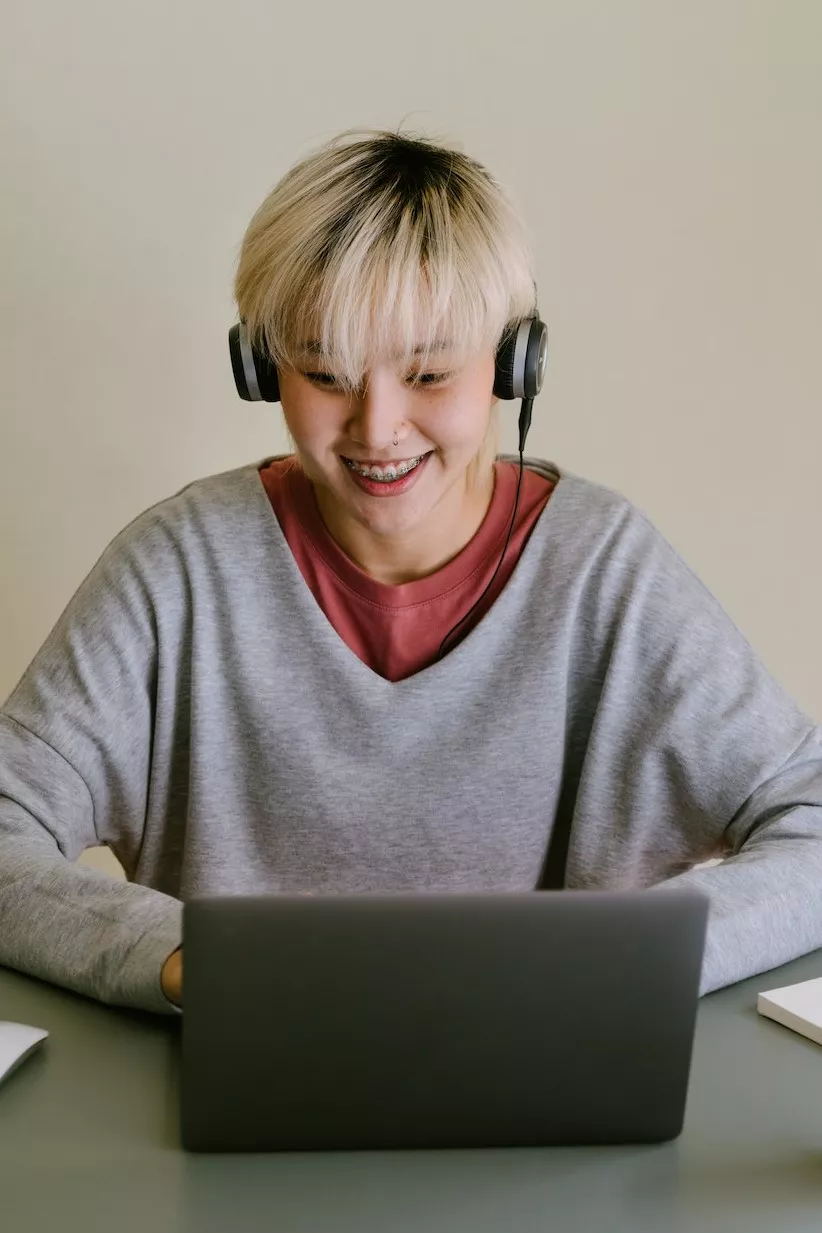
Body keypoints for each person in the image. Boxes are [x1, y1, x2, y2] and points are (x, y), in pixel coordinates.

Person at [1, 129, 821, 1016]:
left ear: (512, 364)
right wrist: (179, 959)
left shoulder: (605, 572)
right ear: (262, 368)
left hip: (548, 1078)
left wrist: (630, 962)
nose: (377, 427)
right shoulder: (178, 569)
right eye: (325, 373)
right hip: (240, 1076)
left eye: (428, 373)